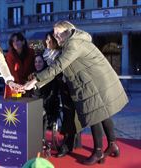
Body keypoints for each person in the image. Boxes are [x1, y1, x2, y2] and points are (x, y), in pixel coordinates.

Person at [24, 20, 128, 165]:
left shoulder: (74, 44)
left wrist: (35, 80)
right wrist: (36, 83)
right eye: (54, 35)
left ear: (68, 31)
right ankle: (112, 144)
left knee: (95, 115)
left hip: (94, 83)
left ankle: (98, 151)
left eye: (58, 34)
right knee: (103, 113)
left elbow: (59, 65)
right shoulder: (74, 42)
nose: (56, 37)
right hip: (93, 81)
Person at [4, 32, 35, 98]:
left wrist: (30, 79)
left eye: (17, 40)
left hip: (28, 85)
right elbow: (12, 72)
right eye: (13, 41)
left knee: (28, 105)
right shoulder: (9, 55)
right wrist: (21, 86)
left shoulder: (31, 52)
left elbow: (33, 67)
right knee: (15, 105)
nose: (15, 43)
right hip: (15, 86)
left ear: (23, 42)